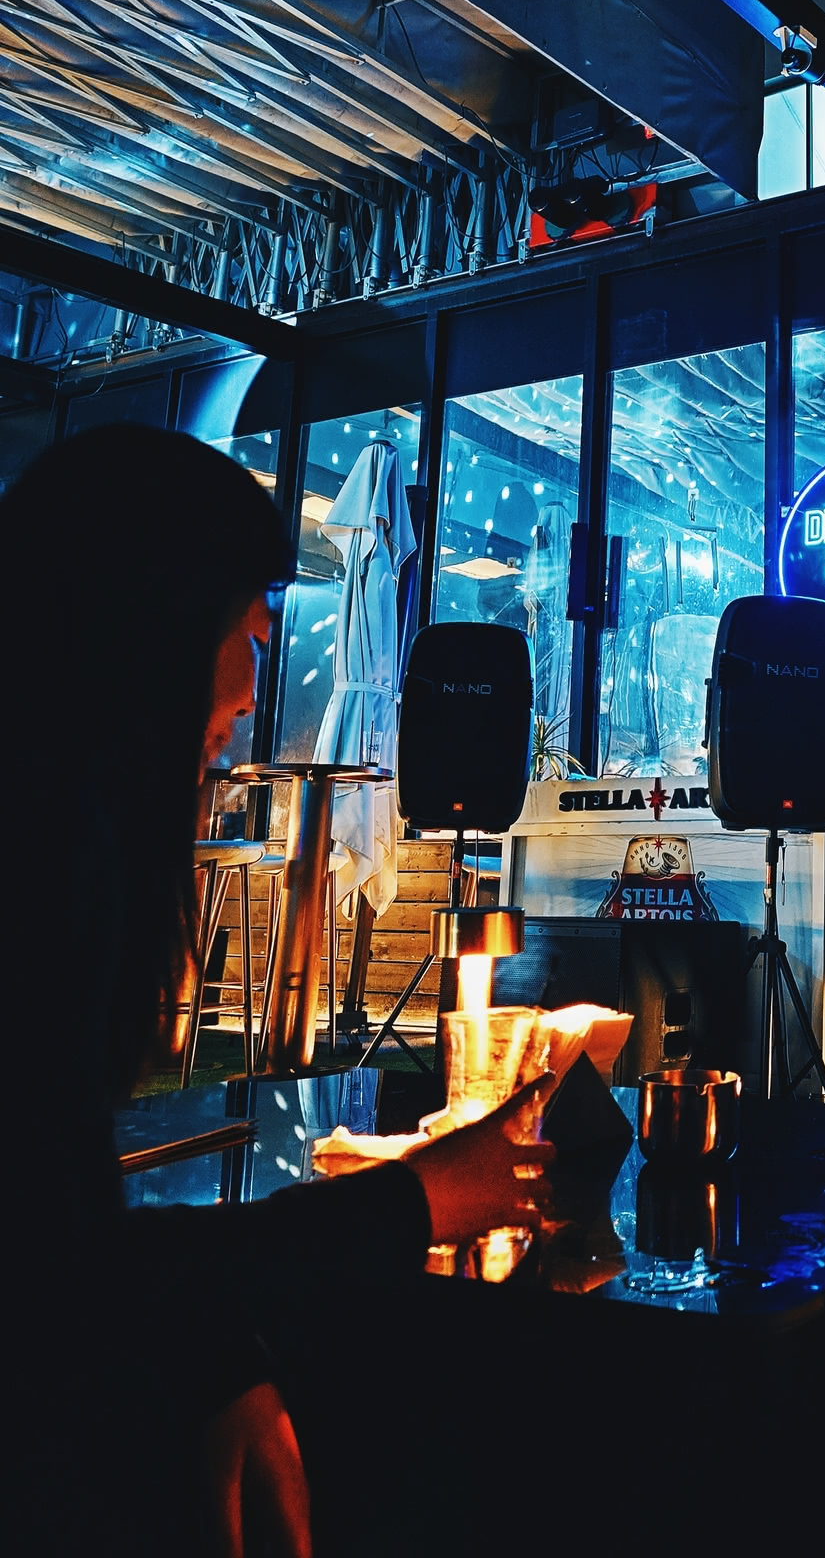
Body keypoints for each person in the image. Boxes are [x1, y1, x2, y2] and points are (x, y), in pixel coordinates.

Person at [10, 427, 549, 1557]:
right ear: (146, 634)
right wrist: (425, 1198)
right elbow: (50, 1288)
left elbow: (69, 1252)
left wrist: (221, 1362)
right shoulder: (42, 868)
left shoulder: (59, 842)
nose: (255, 697)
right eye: (249, 640)